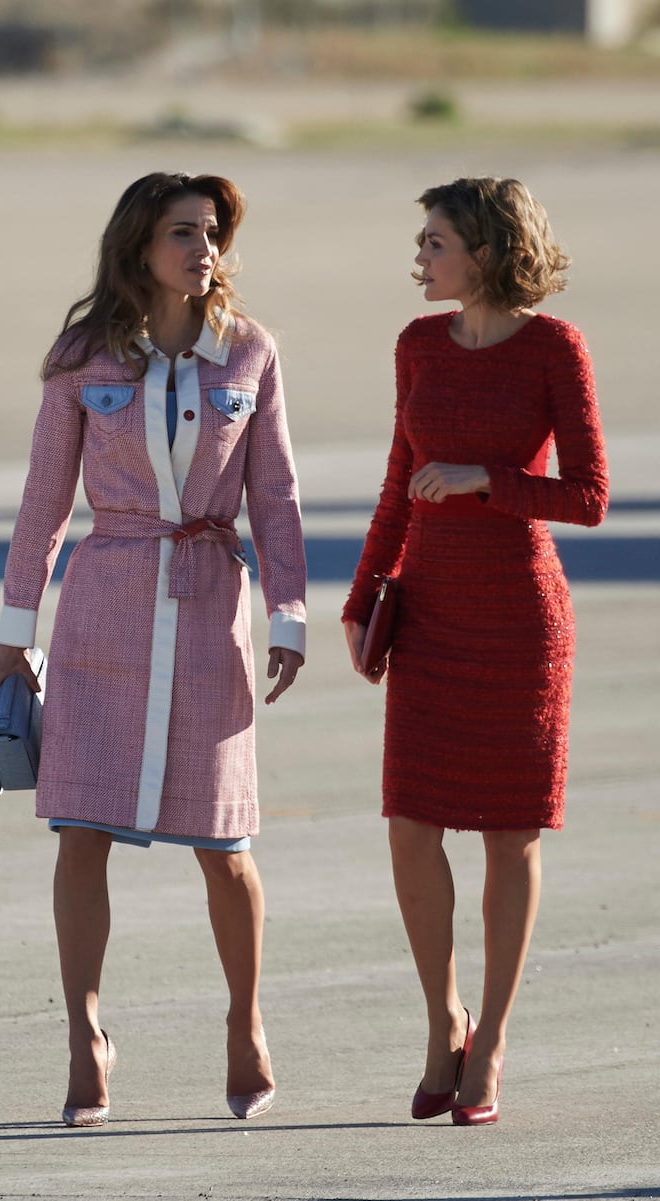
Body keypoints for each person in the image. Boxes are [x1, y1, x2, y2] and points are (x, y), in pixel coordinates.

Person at [0, 171, 306, 1126]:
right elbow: (44, 504)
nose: (202, 248)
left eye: (210, 232)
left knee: (226, 844)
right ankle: (84, 1030)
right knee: (81, 830)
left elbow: (277, 496)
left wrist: (288, 614)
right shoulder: (83, 358)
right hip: (105, 611)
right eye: (182, 232)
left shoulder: (249, 351)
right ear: (138, 248)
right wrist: (15, 635)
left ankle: (245, 1020)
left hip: (213, 610)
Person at [342, 177, 608, 1126]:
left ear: (487, 251)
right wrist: (365, 589)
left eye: (436, 242)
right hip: (432, 614)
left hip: (520, 621)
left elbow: (587, 496)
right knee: (411, 824)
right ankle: (440, 1019)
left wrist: (488, 481)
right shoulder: (418, 345)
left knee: (509, 833)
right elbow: (395, 480)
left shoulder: (553, 349)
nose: (420, 257)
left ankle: (490, 1038)